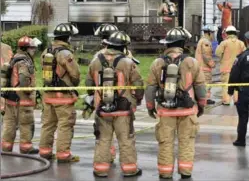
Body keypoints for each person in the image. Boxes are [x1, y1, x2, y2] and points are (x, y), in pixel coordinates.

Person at [145, 27, 207, 179]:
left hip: (165, 110)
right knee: (186, 141)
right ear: (182, 43)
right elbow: (200, 86)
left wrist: (150, 107)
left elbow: (150, 88)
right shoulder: (192, 62)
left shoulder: (157, 63)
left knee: (165, 142)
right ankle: (185, 172)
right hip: (187, 110)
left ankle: (165, 172)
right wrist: (202, 105)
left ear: (167, 44)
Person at [86, 31, 144, 178]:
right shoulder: (128, 62)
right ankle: (130, 169)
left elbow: (88, 85)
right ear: (123, 47)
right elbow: (138, 85)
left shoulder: (95, 61)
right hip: (123, 110)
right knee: (126, 140)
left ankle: (100, 169)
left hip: (102, 109)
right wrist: (137, 100)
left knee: (103, 139)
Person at [39, 23, 81, 162]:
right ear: (67, 37)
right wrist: (74, 84)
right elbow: (75, 74)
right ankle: (63, 155)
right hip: (63, 96)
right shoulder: (66, 53)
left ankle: (45, 152)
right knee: (65, 125)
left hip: (48, 94)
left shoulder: (46, 51)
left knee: (48, 124)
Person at [2, 36, 41, 154]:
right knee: (26, 123)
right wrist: (29, 91)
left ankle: (6, 146)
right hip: (22, 99)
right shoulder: (25, 61)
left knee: (9, 123)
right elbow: (24, 80)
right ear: (27, 49)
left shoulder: (13, 58)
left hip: (10, 98)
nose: (34, 50)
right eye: (32, 48)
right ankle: (26, 147)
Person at [215, 25, 246, 105]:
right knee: (237, 85)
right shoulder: (241, 43)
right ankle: (237, 100)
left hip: (226, 68)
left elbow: (217, 53)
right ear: (235, 33)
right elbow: (245, 54)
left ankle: (226, 101)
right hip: (238, 69)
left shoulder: (224, 43)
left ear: (227, 33)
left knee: (226, 85)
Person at [195, 25, 217, 105]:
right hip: (204, 68)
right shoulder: (206, 42)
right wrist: (212, 64)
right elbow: (206, 55)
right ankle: (206, 99)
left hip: (200, 66)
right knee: (207, 83)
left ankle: (202, 98)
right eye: (213, 33)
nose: (214, 35)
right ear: (209, 33)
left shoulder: (202, 40)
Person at [0, 38, 13, 114]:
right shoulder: (7, 47)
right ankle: (4, 108)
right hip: (6, 72)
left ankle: (3, 108)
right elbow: (11, 59)